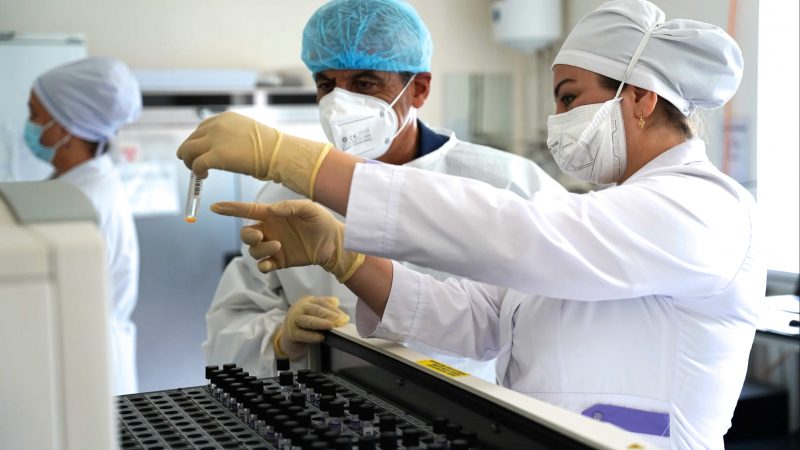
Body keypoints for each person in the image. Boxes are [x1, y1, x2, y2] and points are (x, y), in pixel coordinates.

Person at [178, 0, 765, 446]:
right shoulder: (608, 211)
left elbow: (523, 237)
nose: (556, 119)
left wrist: (295, 159)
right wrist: (348, 260)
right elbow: (480, 316)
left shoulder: (705, 208)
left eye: (568, 98)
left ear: (639, 97)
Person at [202, 0, 564, 379]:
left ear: (419, 89)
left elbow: (557, 321)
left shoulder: (506, 183)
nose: (338, 103)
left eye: (365, 83)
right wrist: (279, 340)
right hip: (327, 410)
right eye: (326, 84)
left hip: (471, 413)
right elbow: (229, 326)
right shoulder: (284, 199)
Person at [25, 56, 142, 395]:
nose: (29, 125)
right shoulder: (80, 186)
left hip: (85, 369)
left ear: (62, 126)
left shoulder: (80, 203)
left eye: (35, 114)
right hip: (90, 360)